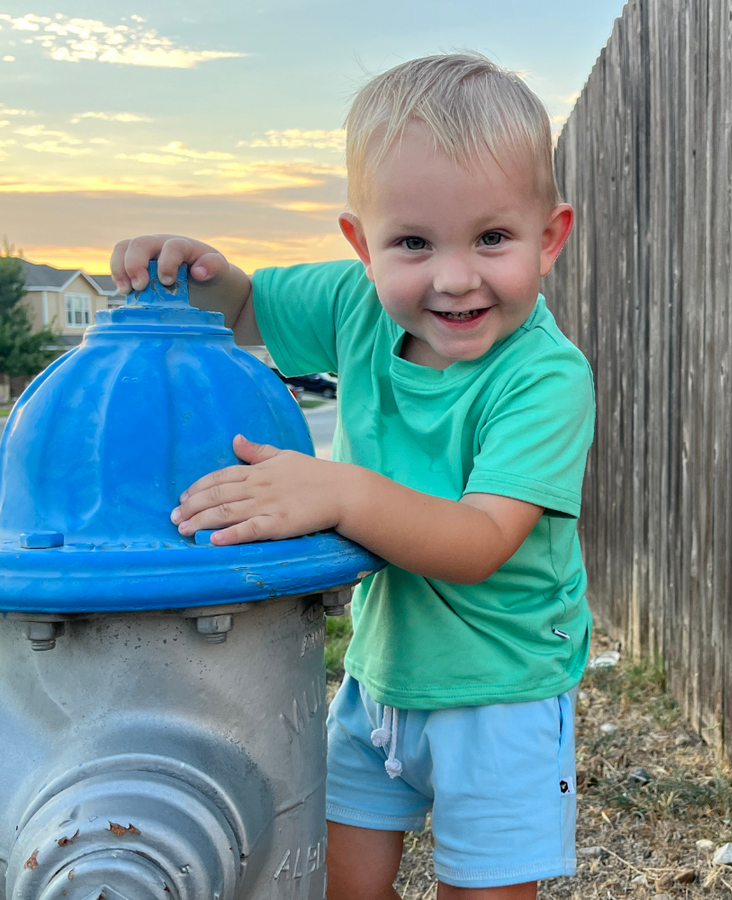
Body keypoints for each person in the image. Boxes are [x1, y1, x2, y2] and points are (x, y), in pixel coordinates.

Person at [110, 52, 594, 900]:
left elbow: (481, 540)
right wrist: (198, 272)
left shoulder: (545, 378)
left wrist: (338, 489)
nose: (453, 277)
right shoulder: (353, 305)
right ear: (360, 245)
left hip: (502, 693)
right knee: (337, 883)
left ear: (548, 237)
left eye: (492, 237)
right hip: (379, 682)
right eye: (412, 242)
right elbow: (247, 307)